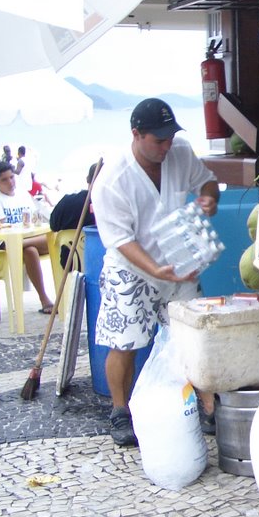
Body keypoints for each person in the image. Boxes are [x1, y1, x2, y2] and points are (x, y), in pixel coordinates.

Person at [91, 98, 220, 447]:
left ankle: (203, 405)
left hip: (178, 262)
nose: (166, 146)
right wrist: (154, 270)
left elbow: (208, 182)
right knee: (126, 341)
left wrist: (209, 200)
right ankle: (120, 410)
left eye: (170, 137)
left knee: (191, 336)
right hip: (131, 267)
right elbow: (120, 241)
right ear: (136, 134)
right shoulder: (111, 181)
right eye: (158, 140)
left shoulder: (179, 151)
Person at [0, 161, 56, 314]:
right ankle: (44, 299)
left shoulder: (22, 193)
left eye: (12, 177)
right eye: (4, 180)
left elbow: (35, 217)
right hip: (5, 244)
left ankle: (61, 294)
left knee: (49, 240)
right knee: (33, 249)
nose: (10, 182)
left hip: (26, 238)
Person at [48, 162, 99, 269]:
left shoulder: (67, 203)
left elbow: (53, 226)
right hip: (101, 264)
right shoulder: (115, 205)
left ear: (87, 179)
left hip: (71, 264)